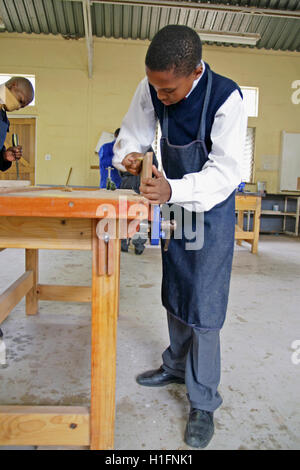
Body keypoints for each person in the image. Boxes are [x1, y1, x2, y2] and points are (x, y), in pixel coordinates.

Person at [113, 25, 247, 448]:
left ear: (194, 72)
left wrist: (175, 189)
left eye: (168, 91)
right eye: (156, 88)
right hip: (173, 202)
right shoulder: (154, 85)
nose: (161, 97)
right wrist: (131, 157)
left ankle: (204, 400)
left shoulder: (226, 97)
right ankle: (174, 365)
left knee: (204, 304)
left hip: (210, 207)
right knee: (176, 286)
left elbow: (227, 173)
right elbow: (131, 134)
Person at [119, 146, 158, 255]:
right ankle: (137, 244)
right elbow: (155, 167)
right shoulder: (147, 149)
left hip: (132, 185)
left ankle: (125, 242)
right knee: (138, 216)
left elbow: (121, 169)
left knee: (127, 215)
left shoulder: (127, 148)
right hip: (138, 185)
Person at [0, 76, 34, 172]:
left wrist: (4, 156)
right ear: (13, 85)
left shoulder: (3, 119)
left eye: (22, 106)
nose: (18, 107)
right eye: (20, 101)